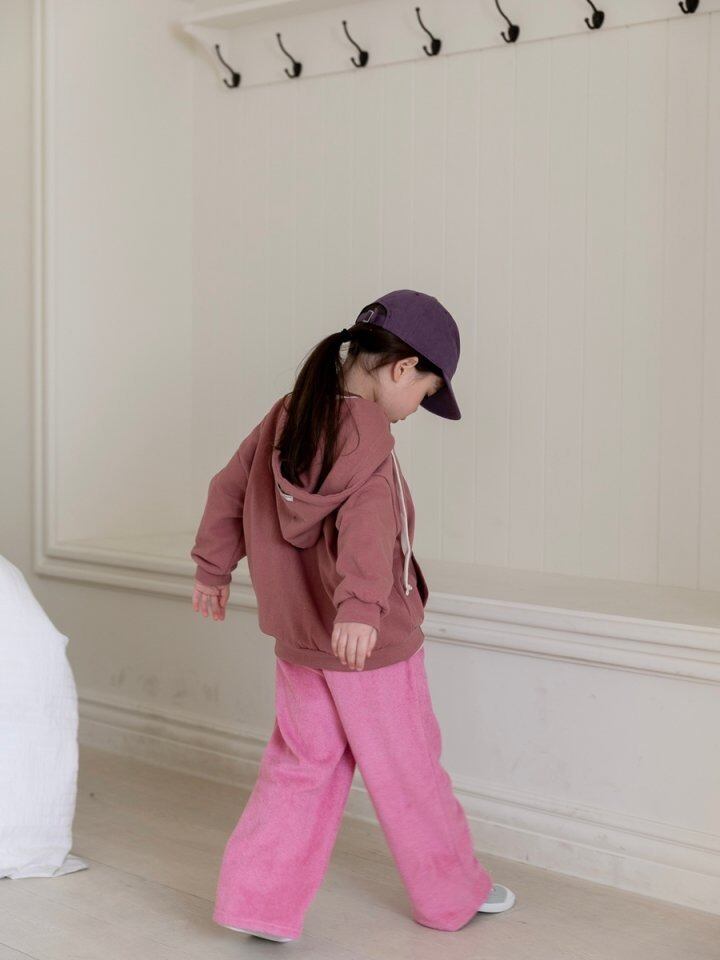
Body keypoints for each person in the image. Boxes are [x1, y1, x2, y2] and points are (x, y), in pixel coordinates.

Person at [190, 289, 516, 943]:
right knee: (407, 769)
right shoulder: (369, 436)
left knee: (299, 765)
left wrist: (212, 568)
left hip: (301, 641)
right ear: (402, 368)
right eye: (424, 393)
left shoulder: (289, 414)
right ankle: (451, 894)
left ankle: (258, 903)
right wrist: (362, 607)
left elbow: (230, 486)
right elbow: (370, 523)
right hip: (369, 645)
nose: (414, 409)